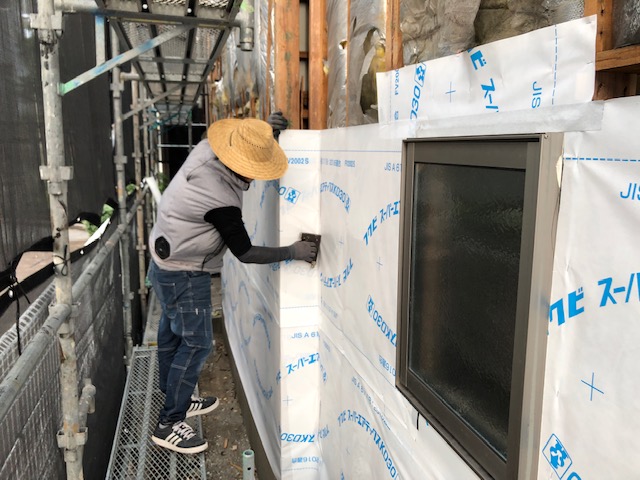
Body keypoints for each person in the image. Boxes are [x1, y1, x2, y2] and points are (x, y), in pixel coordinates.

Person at [147, 113, 317, 454]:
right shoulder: (220, 199)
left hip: (164, 257)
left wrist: (261, 134)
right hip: (184, 270)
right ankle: (169, 422)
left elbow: (240, 137)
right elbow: (245, 252)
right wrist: (293, 251)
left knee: (172, 333)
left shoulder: (207, 148)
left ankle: (177, 396)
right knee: (197, 343)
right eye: (255, 167)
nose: (256, 175)